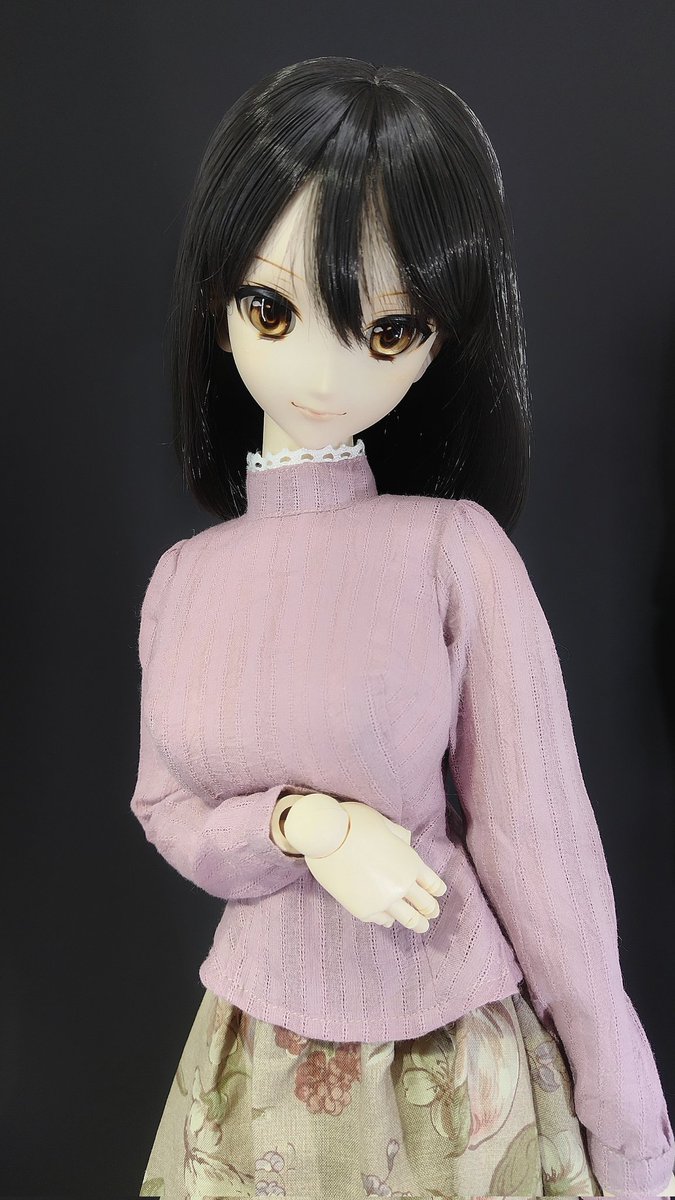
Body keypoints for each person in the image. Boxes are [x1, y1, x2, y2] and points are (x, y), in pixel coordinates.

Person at [130, 56, 674, 1199]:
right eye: (274, 309)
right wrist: (303, 826)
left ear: (437, 340)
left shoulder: (450, 552)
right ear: (220, 306)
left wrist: (626, 1116)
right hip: (248, 1063)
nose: (322, 368)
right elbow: (167, 808)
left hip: (445, 1056)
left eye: (384, 329)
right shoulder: (185, 582)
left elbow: (540, 839)